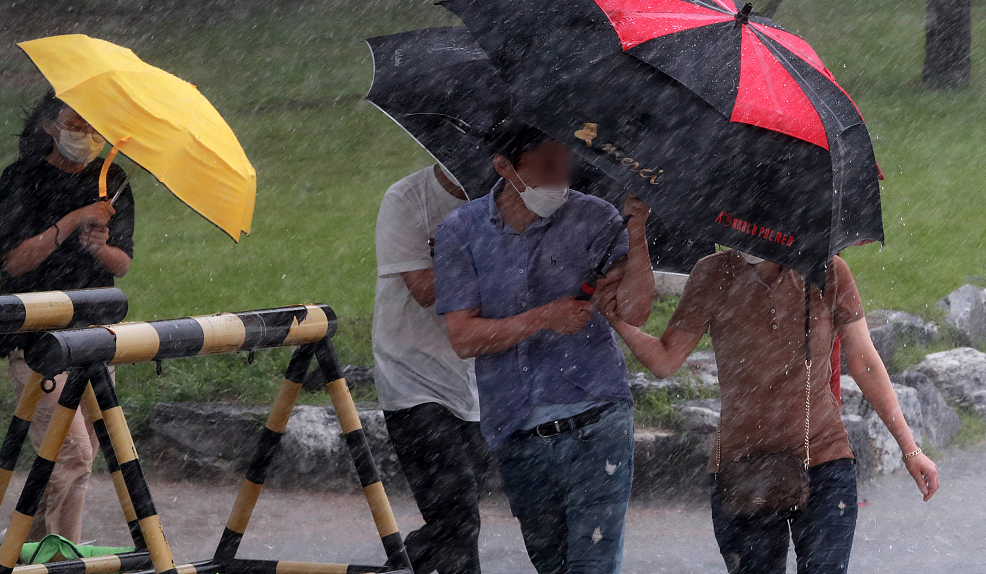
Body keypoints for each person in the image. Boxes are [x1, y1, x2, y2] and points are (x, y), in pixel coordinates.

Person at [598, 247, 940, 574]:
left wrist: (910, 449)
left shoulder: (827, 270)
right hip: (741, 467)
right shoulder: (712, 273)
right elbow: (665, 359)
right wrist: (619, 321)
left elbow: (865, 364)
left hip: (823, 459)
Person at [433, 122, 654, 574]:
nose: (560, 177)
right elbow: (463, 337)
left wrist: (637, 236)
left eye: (565, 163)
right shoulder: (461, 231)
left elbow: (636, 311)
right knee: (552, 565)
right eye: (545, 166)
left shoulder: (595, 218)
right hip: (517, 430)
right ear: (504, 167)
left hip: (597, 420)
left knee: (591, 567)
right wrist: (544, 317)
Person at [0, 91, 134, 543]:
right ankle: (58, 557)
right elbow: (12, 261)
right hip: (38, 339)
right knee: (70, 456)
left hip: (94, 334)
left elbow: (122, 263)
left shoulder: (114, 180)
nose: (86, 134)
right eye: (76, 123)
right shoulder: (21, 178)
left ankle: (31, 550)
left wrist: (99, 246)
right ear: (51, 126)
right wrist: (71, 221)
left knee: (77, 455)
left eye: (94, 126)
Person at [372, 163, 490, 574]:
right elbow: (425, 289)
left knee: (456, 517)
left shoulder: (507, 204)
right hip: (411, 376)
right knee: (460, 514)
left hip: (473, 378)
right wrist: (488, 255)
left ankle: (405, 563)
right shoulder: (406, 199)